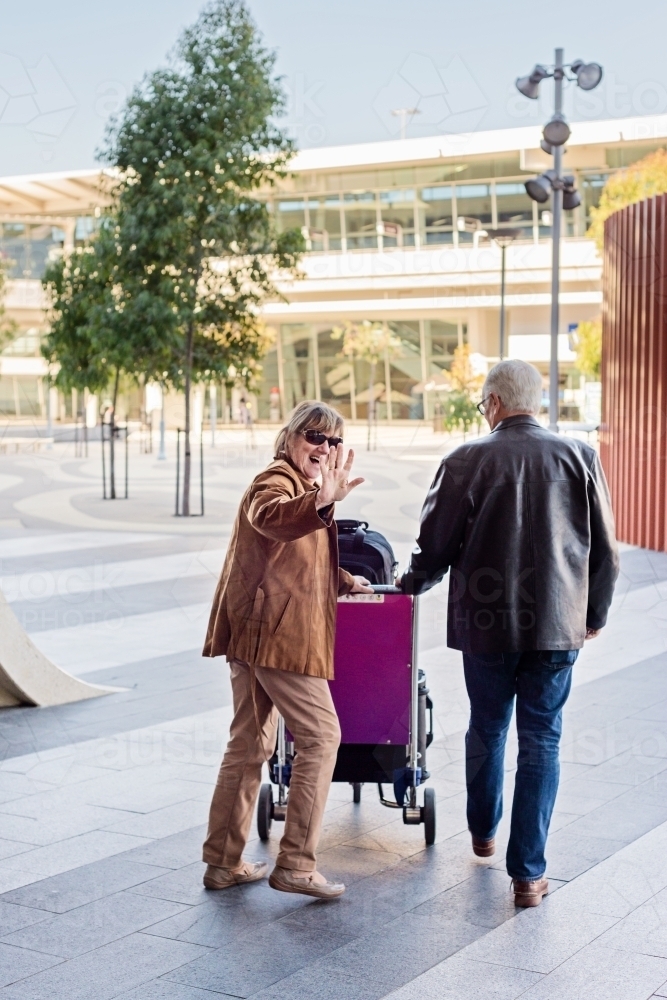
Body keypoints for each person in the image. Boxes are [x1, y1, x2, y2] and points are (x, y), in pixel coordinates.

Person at [402, 359, 619, 907]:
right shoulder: (579, 457)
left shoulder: (463, 460)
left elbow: (435, 548)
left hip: (486, 626)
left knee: (488, 726)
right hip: (555, 624)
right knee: (542, 740)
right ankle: (528, 875)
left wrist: (406, 586)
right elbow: (606, 554)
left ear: (494, 403)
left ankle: (482, 831)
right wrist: (593, 614)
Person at [202, 401, 372, 899]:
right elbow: (272, 520)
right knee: (322, 736)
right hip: (276, 635)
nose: (324, 447)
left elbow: (289, 559)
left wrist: (343, 580)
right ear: (290, 437)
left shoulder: (304, 489)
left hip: (255, 629)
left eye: (334, 441)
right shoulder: (274, 482)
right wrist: (321, 501)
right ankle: (296, 864)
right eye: (314, 436)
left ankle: (222, 862)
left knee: (250, 744)